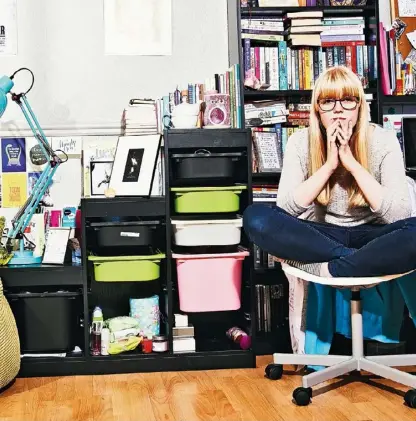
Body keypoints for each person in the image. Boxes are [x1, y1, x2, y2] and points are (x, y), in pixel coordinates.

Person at [243, 66, 416, 279]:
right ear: (317, 110)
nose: (338, 109)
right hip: (321, 237)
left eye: (347, 100)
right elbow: (284, 210)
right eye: (328, 102)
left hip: (374, 235)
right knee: (256, 218)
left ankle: (330, 269)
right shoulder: (300, 142)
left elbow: (400, 214)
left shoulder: (383, 140)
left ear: (359, 107)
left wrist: (352, 164)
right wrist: (329, 166)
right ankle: (355, 260)